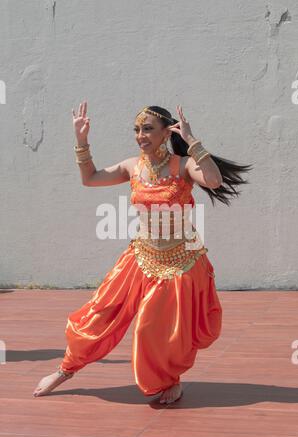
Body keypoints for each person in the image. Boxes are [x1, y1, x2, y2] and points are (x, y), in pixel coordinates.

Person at [33, 103, 253, 404]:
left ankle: (169, 379)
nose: (140, 135)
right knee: (98, 314)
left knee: (156, 330)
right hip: (141, 257)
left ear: (166, 133)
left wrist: (193, 142)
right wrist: (81, 140)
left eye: (148, 128)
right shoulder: (132, 167)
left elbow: (214, 181)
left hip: (181, 262)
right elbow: (91, 178)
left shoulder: (184, 165)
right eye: (137, 129)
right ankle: (65, 369)